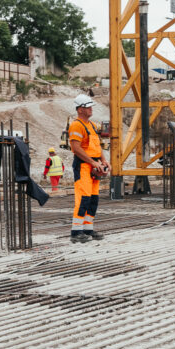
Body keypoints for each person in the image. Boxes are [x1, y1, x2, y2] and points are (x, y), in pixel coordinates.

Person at [68, 94, 109, 243]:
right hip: (83, 166)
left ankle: (87, 229)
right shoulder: (76, 125)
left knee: (93, 199)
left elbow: (97, 146)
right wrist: (93, 162)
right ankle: (76, 232)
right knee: (83, 198)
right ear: (80, 109)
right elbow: (76, 148)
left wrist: (104, 161)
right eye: (87, 107)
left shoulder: (91, 125)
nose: (91, 109)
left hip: (93, 166)